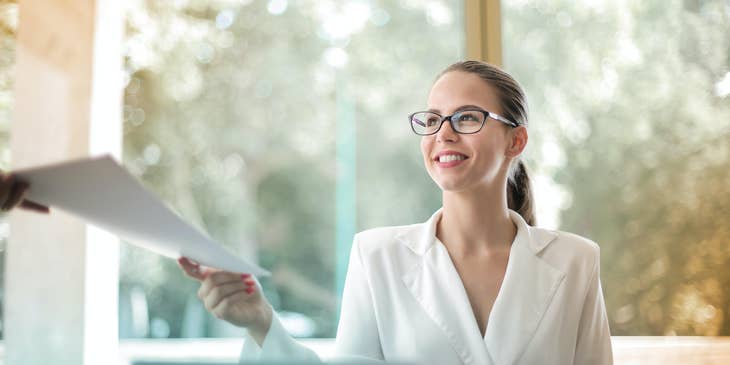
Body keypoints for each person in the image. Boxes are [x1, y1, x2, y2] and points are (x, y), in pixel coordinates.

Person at [2, 60, 613, 364]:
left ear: (516, 140)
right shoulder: (377, 255)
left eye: (468, 118)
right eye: (432, 119)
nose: (444, 133)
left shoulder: (574, 263)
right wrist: (262, 322)